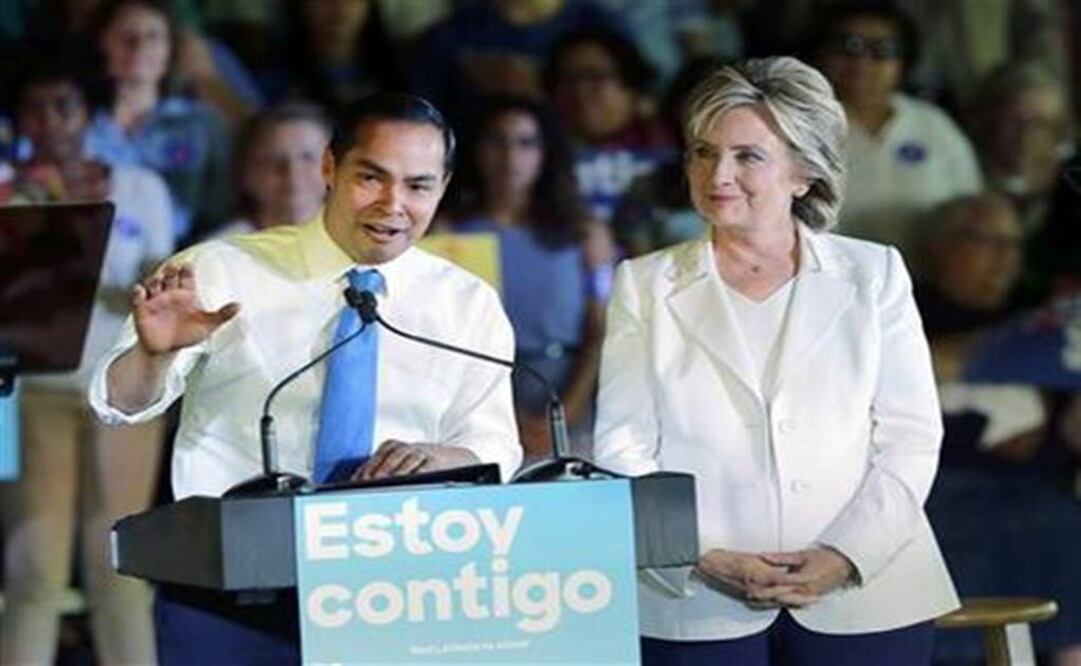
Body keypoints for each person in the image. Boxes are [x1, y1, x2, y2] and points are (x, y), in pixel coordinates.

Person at [87, 92, 522, 663]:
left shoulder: (468, 304)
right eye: (372, 177)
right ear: (330, 168)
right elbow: (119, 404)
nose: (393, 204)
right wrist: (154, 355)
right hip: (233, 584)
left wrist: (445, 457)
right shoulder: (220, 269)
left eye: (418, 186)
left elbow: (497, 446)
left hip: (399, 586)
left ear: (442, 187)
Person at [592, 57, 958, 664]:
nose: (718, 174)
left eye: (747, 156)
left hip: (867, 594)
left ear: (804, 173)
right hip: (697, 603)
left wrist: (844, 555)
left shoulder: (875, 273)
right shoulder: (643, 284)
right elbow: (624, 447)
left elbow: (911, 436)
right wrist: (702, 554)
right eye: (703, 153)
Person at [0, 53, 173, 666]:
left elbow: (166, 285)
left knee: (120, 571)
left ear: (91, 113)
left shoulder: (141, 189)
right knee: (34, 570)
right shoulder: (3, 188)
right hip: (32, 390)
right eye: (33, 108)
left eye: (64, 106)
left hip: (123, 392)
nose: (49, 122)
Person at [916, 193, 1081, 666]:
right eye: (985, 241)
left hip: (1034, 488)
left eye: (1012, 244)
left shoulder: (1038, 322)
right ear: (940, 247)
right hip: (940, 485)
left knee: (1061, 525)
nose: (1003, 257)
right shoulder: (904, 306)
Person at [445, 96, 613, 460]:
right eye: (497, 141)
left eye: (525, 143)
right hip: (478, 394)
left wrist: (566, 410)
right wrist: (510, 414)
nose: (510, 156)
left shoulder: (585, 233)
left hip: (571, 388)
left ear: (545, 153)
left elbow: (601, 328)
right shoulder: (449, 231)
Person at [811, 0, 981, 270]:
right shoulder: (802, 125)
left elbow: (971, 209)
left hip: (926, 288)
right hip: (829, 283)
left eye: (883, 50)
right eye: (849, 45)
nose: (863, 61)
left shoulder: (933, 124)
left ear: (904, 61)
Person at [84, 0, 232, 246]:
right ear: (101, 43)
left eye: (153, 36)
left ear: (170, 50)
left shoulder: (201, 125)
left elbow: (220, 210)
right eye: (125, 35)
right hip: (100, 260)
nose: (139, 46)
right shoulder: (77, 127)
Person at [215, 102, 331, 237]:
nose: (293, 172)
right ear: (246, 173)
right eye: (274, 159)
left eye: (308, 158)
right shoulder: (217, 253)